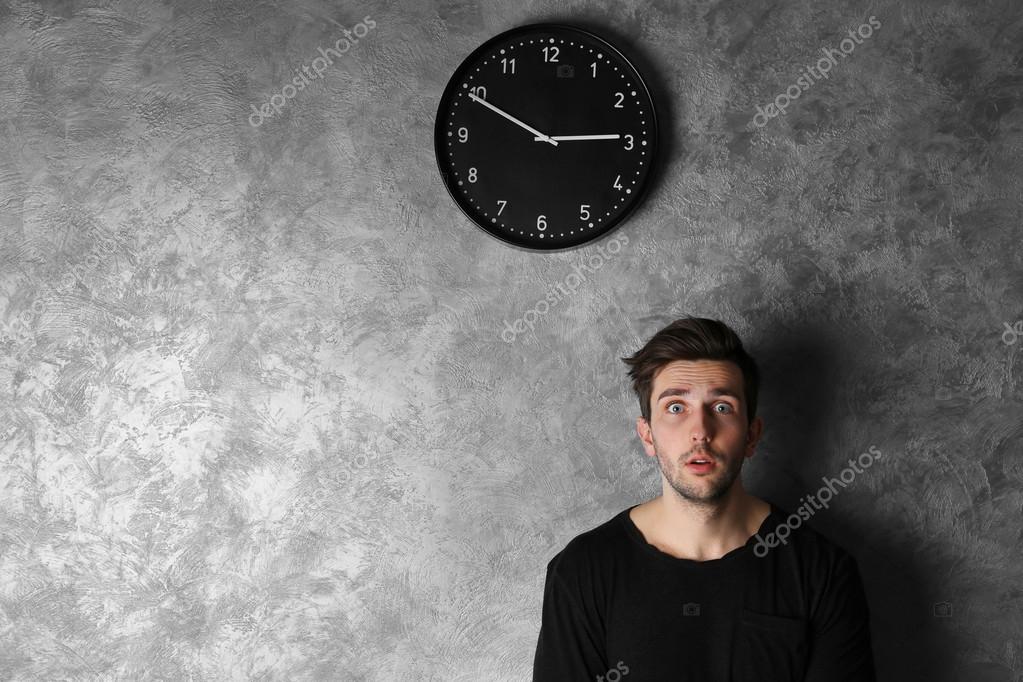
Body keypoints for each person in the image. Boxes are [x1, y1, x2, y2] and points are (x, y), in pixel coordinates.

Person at [532, 317, 877, 681]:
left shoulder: (821, 572)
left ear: (751, 435)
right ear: (647, 436)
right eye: (676, 407)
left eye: (722, 407)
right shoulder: (583, 571)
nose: (700, 432)